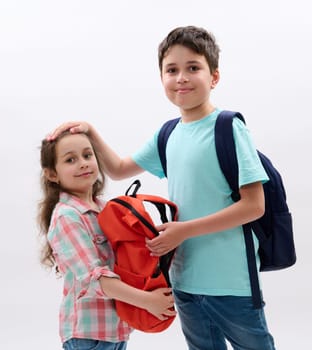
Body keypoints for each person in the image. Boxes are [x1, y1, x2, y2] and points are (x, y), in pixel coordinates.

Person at [48, 25, 276, 350]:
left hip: (231, 282)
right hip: (183, 281)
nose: (181, 77)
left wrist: (183, 231)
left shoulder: (229, 128)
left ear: (214, 77)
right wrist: (91, 132)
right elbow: (118, 169)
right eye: (172, 70)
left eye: (193, 68)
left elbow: (254, 206)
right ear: (162, 80)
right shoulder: (168, 134)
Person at [38, 130, 176, 350]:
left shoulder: (106, 209)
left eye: (87, 155)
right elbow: (95, 279)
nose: (83, 163)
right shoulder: (67, 216)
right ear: (52, 174)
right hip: (88, 335)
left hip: (115, 330)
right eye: (70, 160)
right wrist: (148, 301)